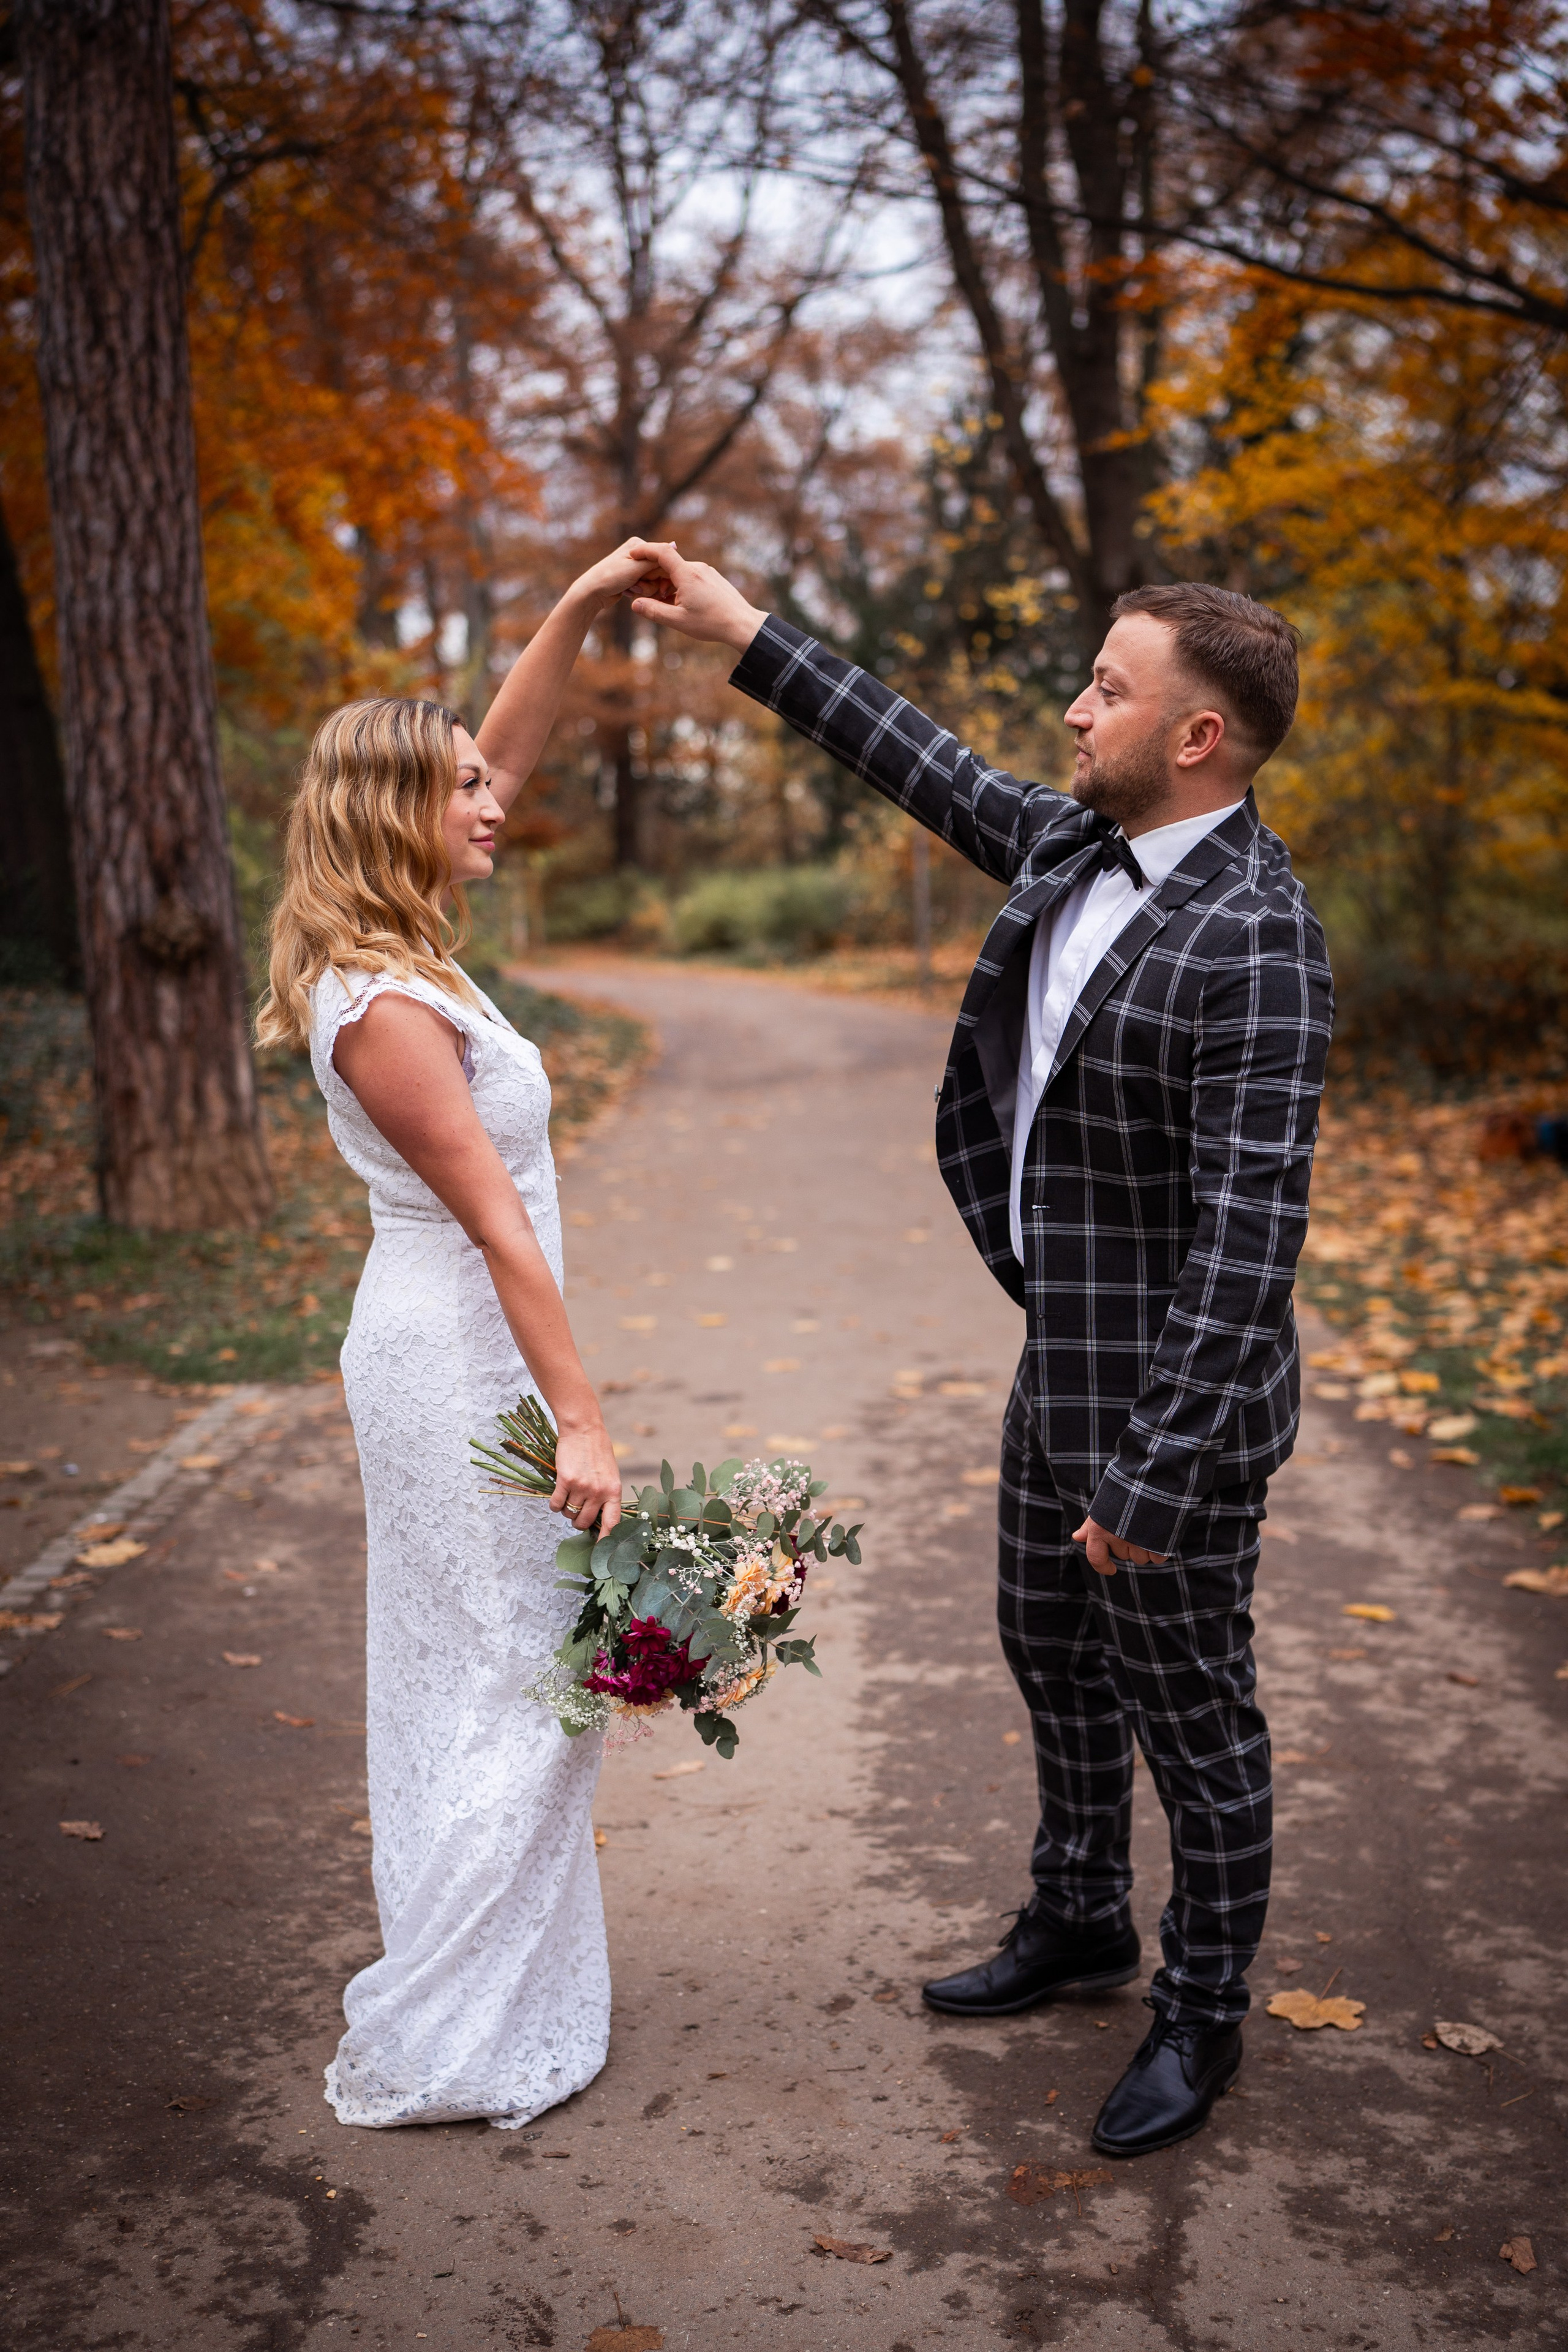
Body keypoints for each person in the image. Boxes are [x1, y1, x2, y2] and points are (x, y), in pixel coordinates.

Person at [626, 546, 1332, 2157]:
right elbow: (921, 760)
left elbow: (1249, 1242)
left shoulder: (1262, 942)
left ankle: (1203, 2012)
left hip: (1177, 1419)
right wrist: (748, 634)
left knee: (1193, 1708)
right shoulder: (1082, 841)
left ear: (1200, 738)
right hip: (1058, 1364)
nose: (1078, 709)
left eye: (1109, 686)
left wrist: (1154, 1475)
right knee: (1043, 1641)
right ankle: (1081, 1912)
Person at [257, 542, 656, 2130]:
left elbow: (507, 742)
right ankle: (458, 2020)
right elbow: (497, 1224)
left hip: (465, 1342)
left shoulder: (407, 940)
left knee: (502, 1666)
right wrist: (586, 1421)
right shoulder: (389, 1005)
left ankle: (503, 1984)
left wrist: (574, 609)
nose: (497, 801)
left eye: (491, 781)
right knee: (526, 1673)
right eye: (463, 790)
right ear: (389, 816)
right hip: (453, 1354)